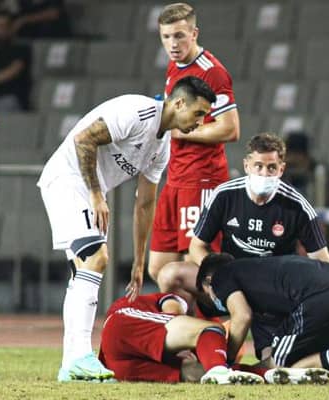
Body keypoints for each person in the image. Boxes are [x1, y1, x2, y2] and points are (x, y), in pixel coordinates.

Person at [36, 76, 216, 382]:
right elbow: (83, 139)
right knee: (96, 258)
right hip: (68, 181)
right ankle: (81, 356)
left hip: (86, 189)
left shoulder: (162, 147)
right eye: (198, 114)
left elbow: (145, 203)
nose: (199, 123)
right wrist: (95, 194)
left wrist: (139, 261)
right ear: (179, 103)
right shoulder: (138, 111)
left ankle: (70, 365)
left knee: (83, 271)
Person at [157, 133, 329, 301]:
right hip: (231, 278)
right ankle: (193, 329)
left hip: (275, 284)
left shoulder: (298, 206)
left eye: (271, 168)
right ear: (246, 166)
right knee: (169, 275)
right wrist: (216, 275)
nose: (264, 174)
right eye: (258, 166)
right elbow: (197, 245)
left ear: (281, 169)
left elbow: (323, 262)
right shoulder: (224, 195)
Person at [148, 2, 240, 285]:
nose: (172, 44)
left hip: (201, 180)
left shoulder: (212, 72)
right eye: (166, 37)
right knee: (158, 268)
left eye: (179, 36)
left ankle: (215, 323)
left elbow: (231, 129)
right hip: (176, 178)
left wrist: (181, 131)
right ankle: (185, 323)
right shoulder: (174, 65)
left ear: (194, 33)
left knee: (195, 266)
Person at [195, 253, 329, 385]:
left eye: (207, 295)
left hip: (323, 298)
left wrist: (224, 362)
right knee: (306, 348)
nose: (215, 302)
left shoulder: (222, 275)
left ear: (209, 280)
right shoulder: (258, 274)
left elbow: (242, 316)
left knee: (279, 365)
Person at [98, 291, 329, 384]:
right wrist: (184, 339)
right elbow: (171, 305)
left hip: (117, 367)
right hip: (120, 326)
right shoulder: (170, 301)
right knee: (211, 331)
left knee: (194, 373)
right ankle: (220, 371)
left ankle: (271, 375)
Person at [282, 132, 329, 208]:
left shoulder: (321, 174)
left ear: (301, 155)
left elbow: (326, 205)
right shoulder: (283, 173)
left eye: (288, 154)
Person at [0, 10, 31, 111]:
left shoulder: (21, 49)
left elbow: (13, 70)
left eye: (3, 26)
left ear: (11, 28)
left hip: (10, 98)